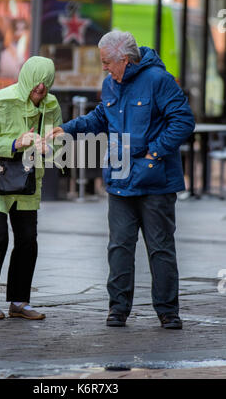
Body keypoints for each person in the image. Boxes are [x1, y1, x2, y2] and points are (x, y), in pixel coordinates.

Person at [48, 31, 195, 330]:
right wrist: (67, 129)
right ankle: (117, 309)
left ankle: (168, 311)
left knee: (160, 248)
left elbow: (183, 121)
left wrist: (154, 152)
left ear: (124, 60)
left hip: (156, 183)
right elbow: (101, 117)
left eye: (106, 62)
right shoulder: (110, 83)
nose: (103, 67)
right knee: (119, 248)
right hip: (120, 179)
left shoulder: (158, 80)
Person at [0, 56, 62, 320]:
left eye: (46, 82)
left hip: (27, 178)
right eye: (36, 82)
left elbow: (58, 140)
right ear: (26, 78)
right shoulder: (1, 102)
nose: (41, 88)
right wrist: (15, 143)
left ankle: (19, 301)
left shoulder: (51, 105)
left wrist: (49, 147)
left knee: (28, 240)